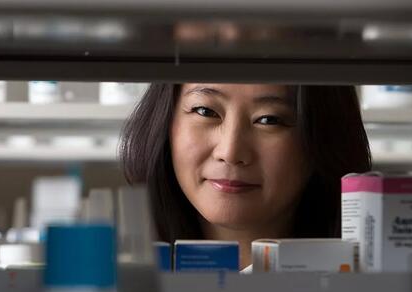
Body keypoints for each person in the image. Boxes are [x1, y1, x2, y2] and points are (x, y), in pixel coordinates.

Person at [120, 84, 371, 269]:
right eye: (205, 111)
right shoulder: (120, 276)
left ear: (324, 138)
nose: (230, 151)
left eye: (269, 120)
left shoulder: (364, 279)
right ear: (166, 122)